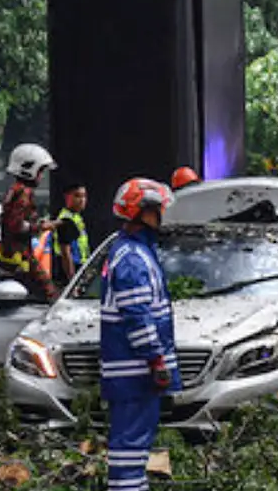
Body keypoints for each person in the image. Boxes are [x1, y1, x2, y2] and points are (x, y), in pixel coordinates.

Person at [101, 177, 180, 491]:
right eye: (158, 210)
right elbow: (137, 315)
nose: (162, 216)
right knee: (130, 449)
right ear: (143, 212)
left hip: (131, 373)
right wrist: (156, 360)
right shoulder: (133, 258)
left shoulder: (132, 252)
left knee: (132, 449)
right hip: (135, 373)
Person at [0, 143, 56, 299]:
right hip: (20, 258)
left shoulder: (15, 190)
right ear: (29, 169)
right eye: (40, 171)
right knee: (49, 294)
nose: (41, 176)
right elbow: (16, 225)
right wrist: (43, 226)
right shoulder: (23, 192)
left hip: (14, 256)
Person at [47, 182, 89, 288]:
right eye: (77, 196)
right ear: (67, 197)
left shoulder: (76, 217)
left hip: (79, 269)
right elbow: (66, 253)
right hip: (69, 275)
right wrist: (72, 282)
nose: (82, 200)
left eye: (84, 196)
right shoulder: (66, 219)